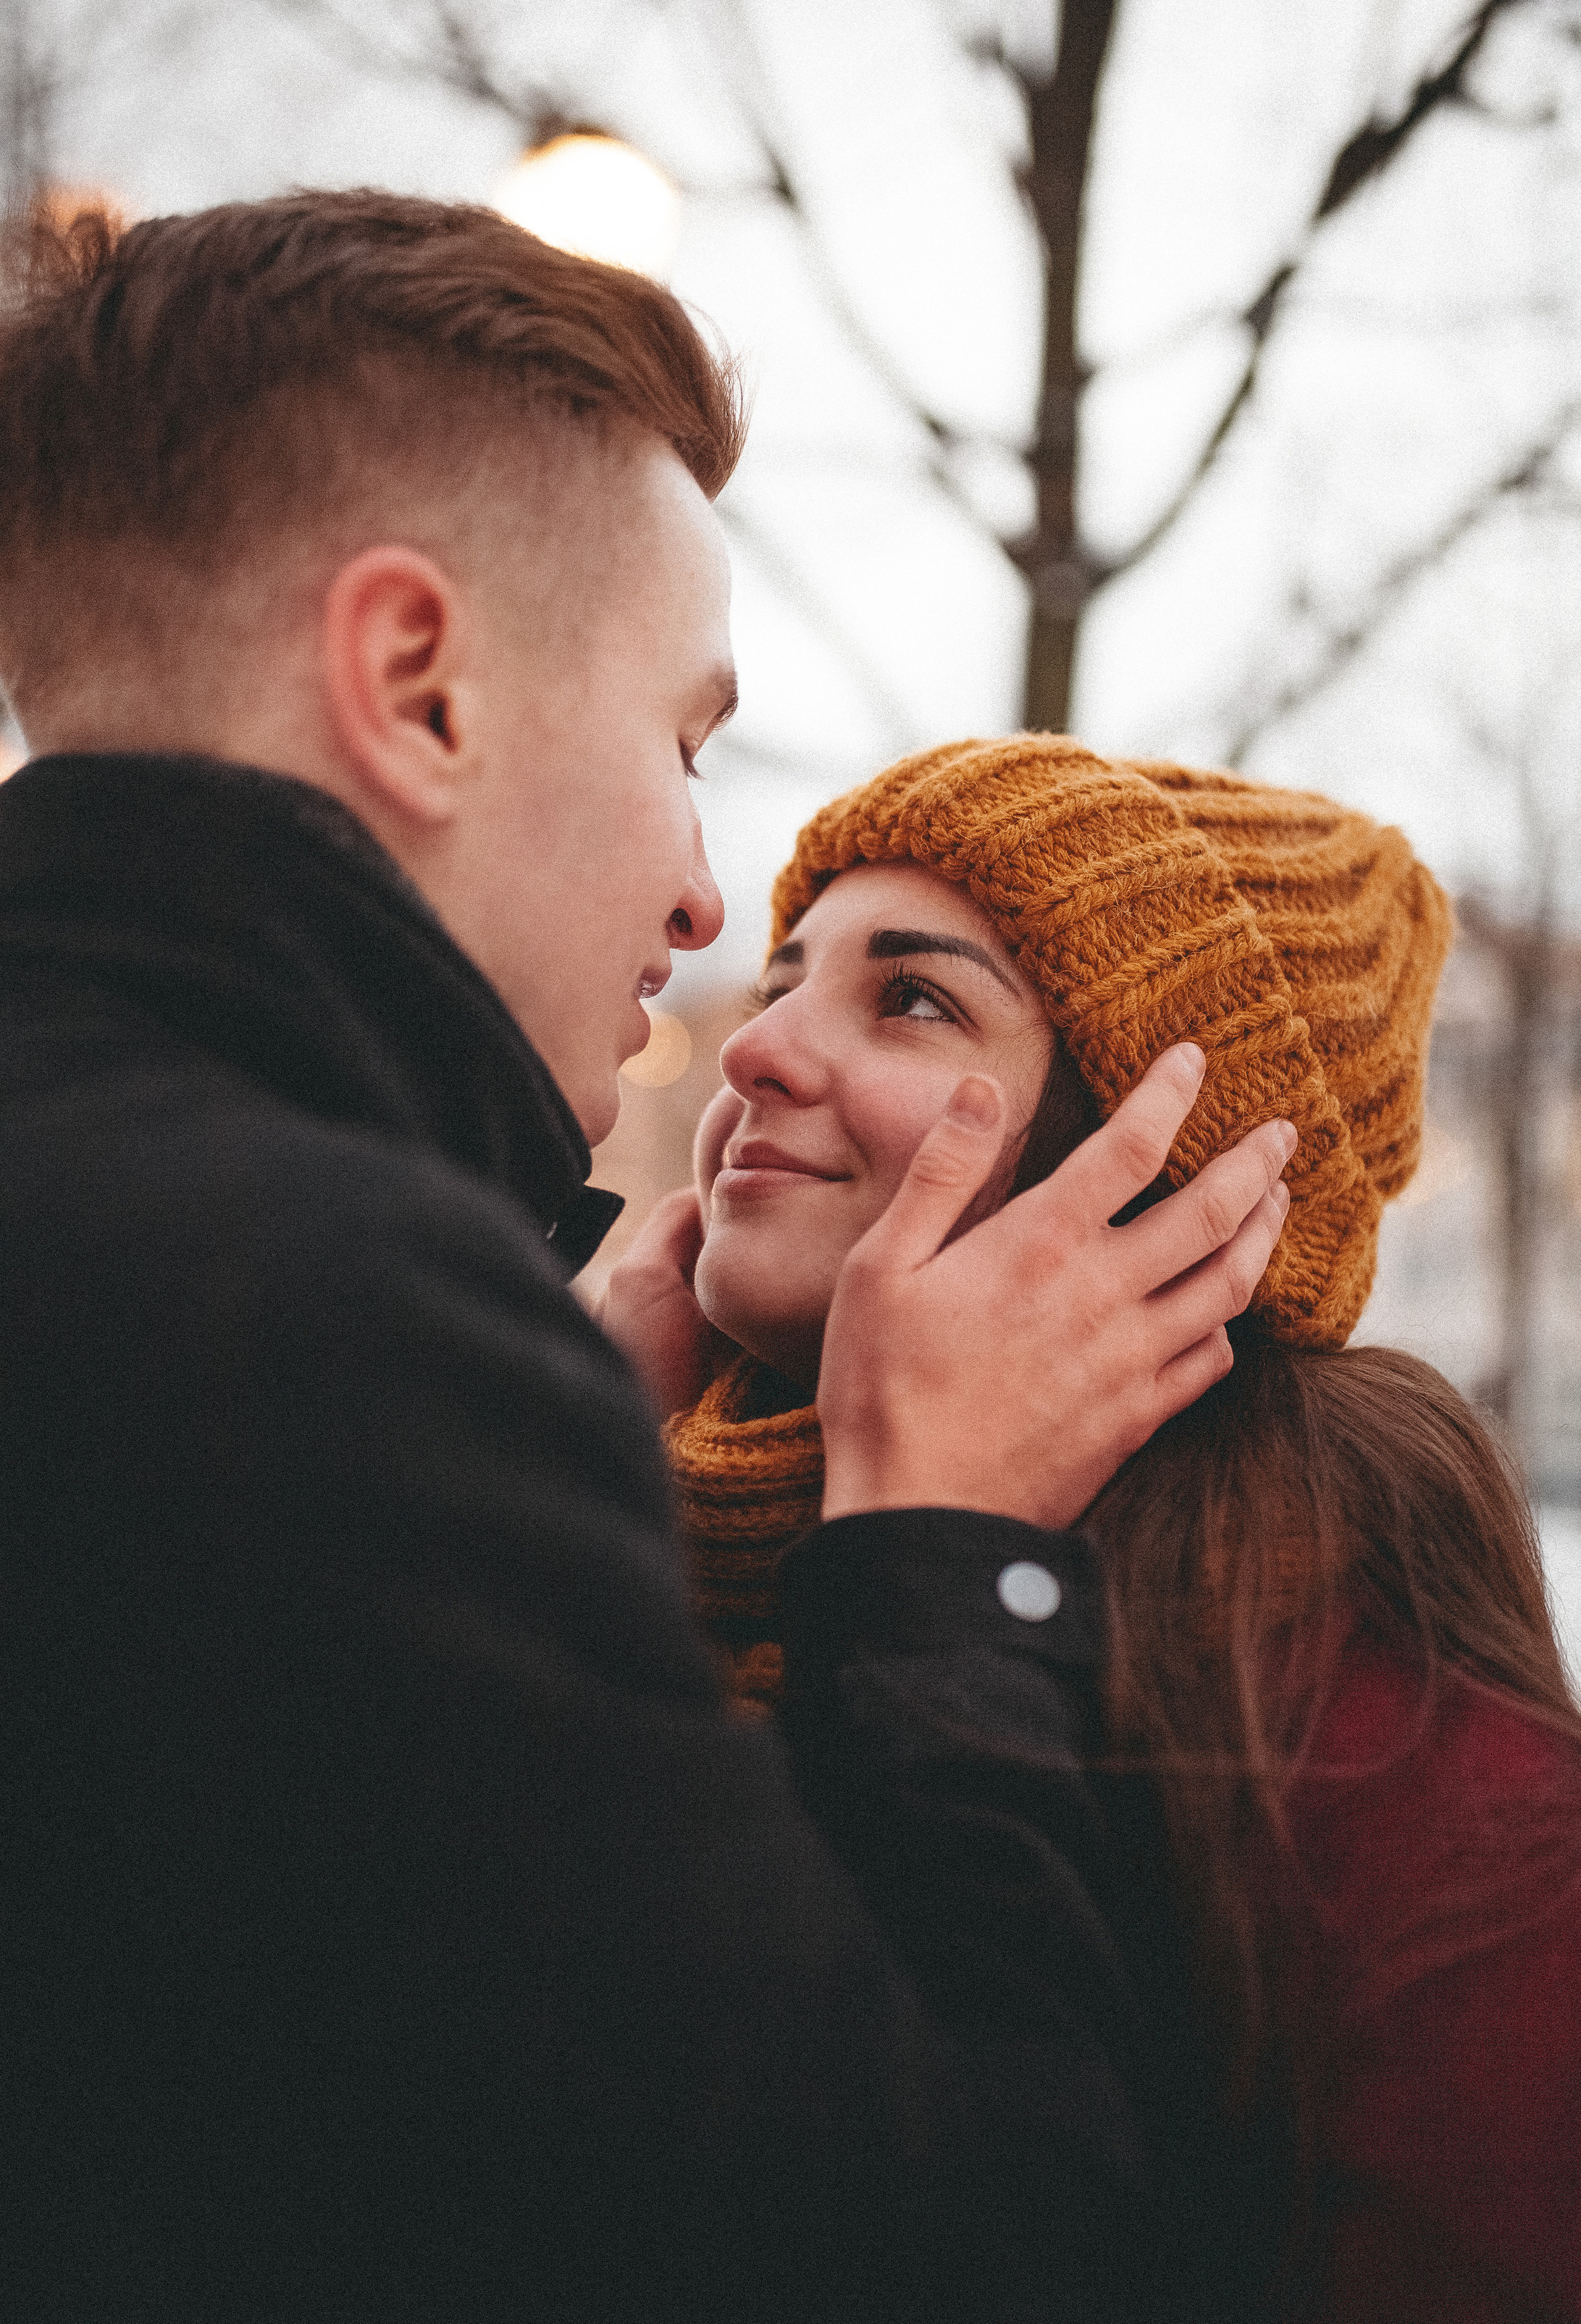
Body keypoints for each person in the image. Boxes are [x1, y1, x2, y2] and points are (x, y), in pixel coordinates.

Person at [0, 194, 1295, 2321]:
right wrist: (947, 1553)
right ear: (417, 687)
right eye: (687, 744)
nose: (706, 914)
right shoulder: (333, 1354)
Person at [609, 735, 1581, 2324]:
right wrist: (559, 1467)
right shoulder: (631, 1558)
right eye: (784, 978)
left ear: (1156, 1189)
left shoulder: (1386, 1769)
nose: (756, 1048)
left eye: (907, 996)